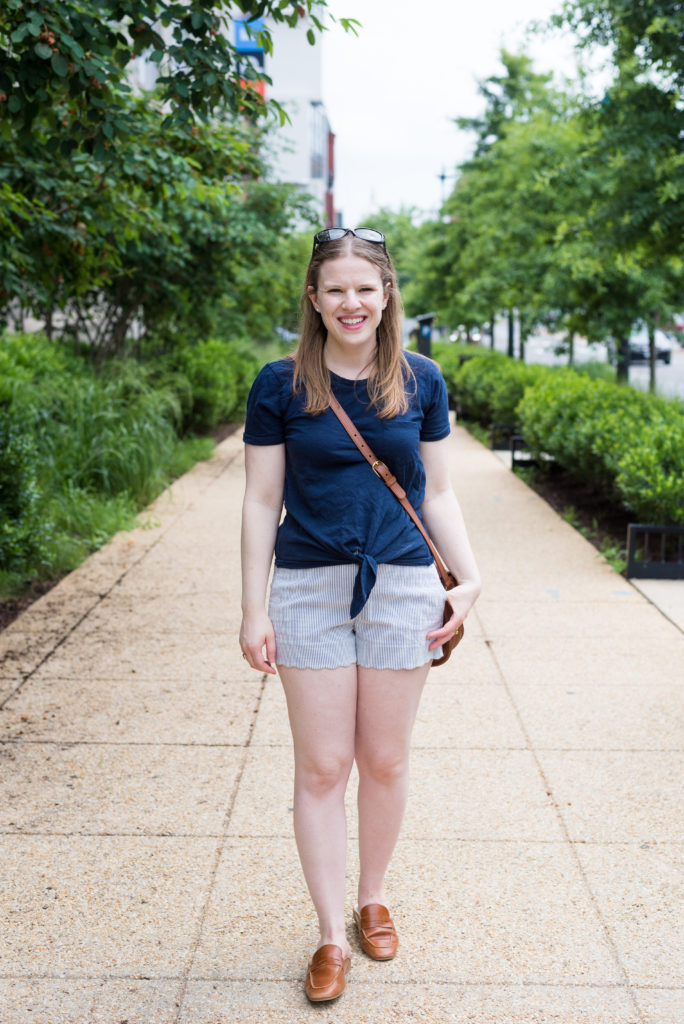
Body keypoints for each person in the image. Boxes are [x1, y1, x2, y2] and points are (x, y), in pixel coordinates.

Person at [239, 226, 481, 1003]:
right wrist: (253, 609)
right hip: (308, 588)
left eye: (365, 289)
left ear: (386, 297)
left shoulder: (421, 380)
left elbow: (436, 492)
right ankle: (329, 935)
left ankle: (372, 896)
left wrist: (468, 578)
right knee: (321, 767)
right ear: (313, 298)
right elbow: (260, 501)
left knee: (384, 760)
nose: (351, 302)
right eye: (335, 289)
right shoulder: (280, 384)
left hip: (404, 588)